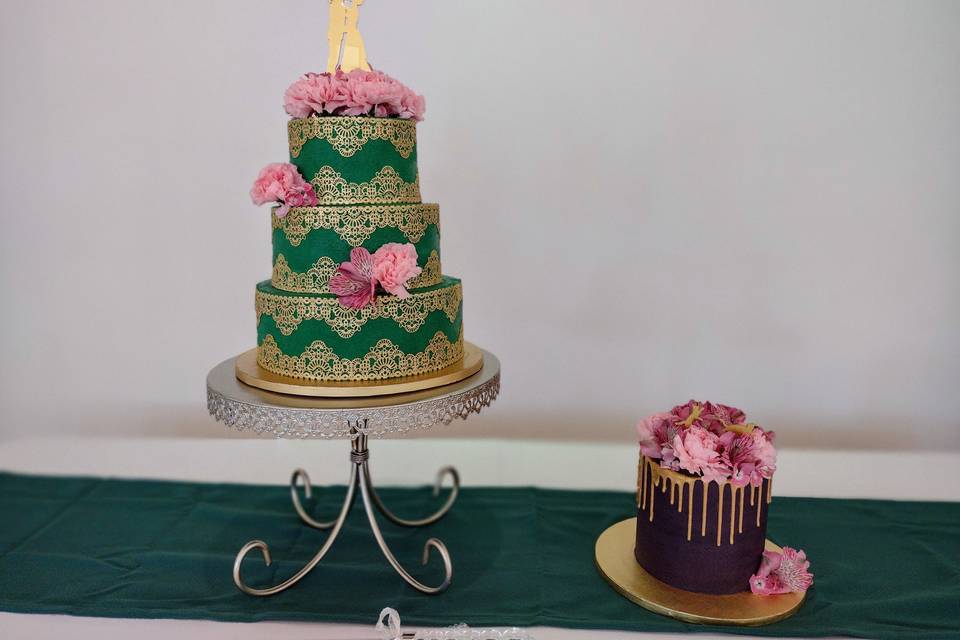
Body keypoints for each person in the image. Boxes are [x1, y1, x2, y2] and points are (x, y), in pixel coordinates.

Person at [327, 0, 371, 73]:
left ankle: (348, 73)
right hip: (336, 32)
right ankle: (333, 74)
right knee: (333, 57)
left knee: (353, 57)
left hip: (351, 33)